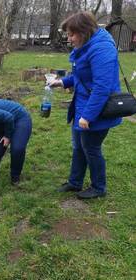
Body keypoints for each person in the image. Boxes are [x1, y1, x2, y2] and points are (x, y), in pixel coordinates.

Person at [50, 11, 122, 199]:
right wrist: (63, 82)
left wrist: (87, 116)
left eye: (71, 34)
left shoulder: (101, 49)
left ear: (84, 31)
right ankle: (75, 182)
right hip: (83, 103)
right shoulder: (87, 45)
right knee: (78, 146)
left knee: (90, 147)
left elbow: (102, 87)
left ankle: (99, 188)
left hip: (98, 107)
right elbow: (82, 76)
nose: (69, 39)